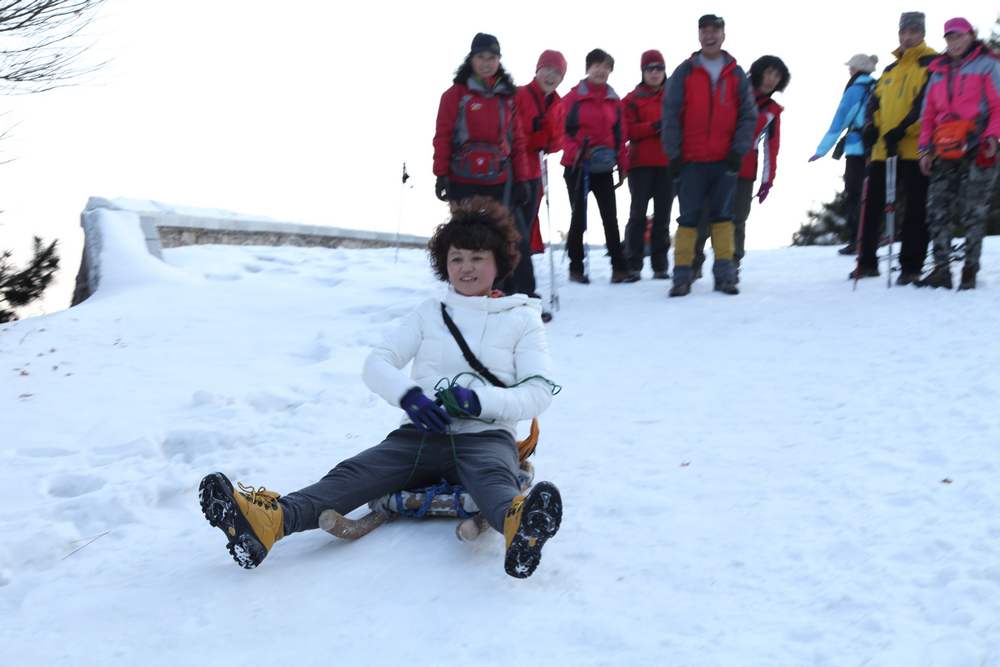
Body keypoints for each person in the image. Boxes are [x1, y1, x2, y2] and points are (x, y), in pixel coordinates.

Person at [198, 197, 563, 579]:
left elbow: (538, 391)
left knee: (493, 479)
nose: (466, 268)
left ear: (498, 261)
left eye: (477, 257)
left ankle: (521, 525)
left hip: (485, 436)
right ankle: (268, 522)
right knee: (353, 473)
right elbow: (378, 362)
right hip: (421, 434)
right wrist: (411, 397)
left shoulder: (522, 318)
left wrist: (478, 402)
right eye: (456, 258)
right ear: (444, 264)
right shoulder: (429, 314)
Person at [662, 14, 757, 297]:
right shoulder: (685, 71)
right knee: (688, 219)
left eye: (714, 30)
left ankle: (725, 276)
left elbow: (747, 115)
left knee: (723, 218)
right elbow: (670, 114)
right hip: (690, 161)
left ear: (723, 35)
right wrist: (674, 154)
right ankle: (682, 276)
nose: (709, 35)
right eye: (704, 30)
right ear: (698, 35)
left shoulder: (736, 74)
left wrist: (738, 151)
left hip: (724, 160)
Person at [916, 18, 1000, 290]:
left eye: (959, 36)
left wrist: (992, 137)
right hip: (945, 147)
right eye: (949, 38)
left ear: (971, 36)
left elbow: (998, 106)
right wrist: (924, 149)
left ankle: (970, 270)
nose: (954, 42)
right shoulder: (937, 71)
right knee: (937, 208)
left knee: (973, 209)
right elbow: (928, 115)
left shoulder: (988, 64)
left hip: (978, 145)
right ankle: (941, 269)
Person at [853, 12, 937, 284]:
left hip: (915, 148)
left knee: (915, 208)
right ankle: (866, 262)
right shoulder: (890, 70)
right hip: (882, 149)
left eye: (914, 31)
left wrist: (902, 130)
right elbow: (873, 104)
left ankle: (911, 266)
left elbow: (927, 104)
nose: (908, 36)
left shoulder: (931, 64)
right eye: (905, 32)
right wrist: (870, 128)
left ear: (922, 33)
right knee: (873, 204)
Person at [692, 54, 789, 284]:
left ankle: (731, 265)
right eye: (768, 73)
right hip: (714, 163)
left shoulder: (772, 111)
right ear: (758, 72)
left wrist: (768, 180)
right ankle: (692, 262)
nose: (771, 79)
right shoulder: (734, 91)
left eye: (777, 76)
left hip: (745, 171)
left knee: (737, 219)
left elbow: (771, 147)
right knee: (704, 215)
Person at [432, 33, 531, 209]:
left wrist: (522, 179)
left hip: (498, 181)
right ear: (471, 59)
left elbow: (518, 141)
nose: (486, 63)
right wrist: (441, 174)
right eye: (480, 57)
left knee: (497, 234)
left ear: (499, 60)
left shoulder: (508, 97)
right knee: (463, 232)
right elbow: (442, 137)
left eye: (491, 58)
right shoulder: (454, 95)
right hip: (461, 179)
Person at [503, 49, 567, 320]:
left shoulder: (557, 102)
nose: (551, 76)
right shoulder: (518, 94)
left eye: (558, 72)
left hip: (535, 176)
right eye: (548, 69)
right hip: (513, 172)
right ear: (538, 69)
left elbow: (557, 140)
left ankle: (514, 289)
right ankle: (521, 290)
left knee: (525, 232)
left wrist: (547, 139)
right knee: (515, 234)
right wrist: (534, 137)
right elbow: (510, 132)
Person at [561, 48, 633, 284]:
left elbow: (620, 135)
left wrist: (623, 165)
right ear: (587, 68)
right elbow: (560, 132)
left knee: (610, 218)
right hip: (577, 166)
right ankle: (576, 267)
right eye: (596, 65)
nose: (601, 70)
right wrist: (577, 151)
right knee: (579, 218)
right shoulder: (572, 98)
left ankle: (619, 267)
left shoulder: (614, 101)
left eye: (606, 67)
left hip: (603, 167)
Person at [810, 54, 879, 255]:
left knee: (854, 195)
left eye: (851, 68)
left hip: (857, 149)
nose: (849, 71)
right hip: (877, 148)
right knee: (871, 195)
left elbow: (840, 120)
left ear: (856, 70)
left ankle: (856, 240)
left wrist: (822, 150)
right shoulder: (877, 86)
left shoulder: (855, 90)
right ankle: (871, 238)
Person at [622, 49, 673, 280]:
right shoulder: (631, 99)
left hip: (667, 164)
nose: (655, 73)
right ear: (643, 72)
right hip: (640, 164)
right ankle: (633, 264)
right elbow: (626, 131)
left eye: (659, 68)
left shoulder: (674, 96)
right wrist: (654, 127)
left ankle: (660, 265)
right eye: (650, 69)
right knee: (638, 215)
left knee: (663, 216)